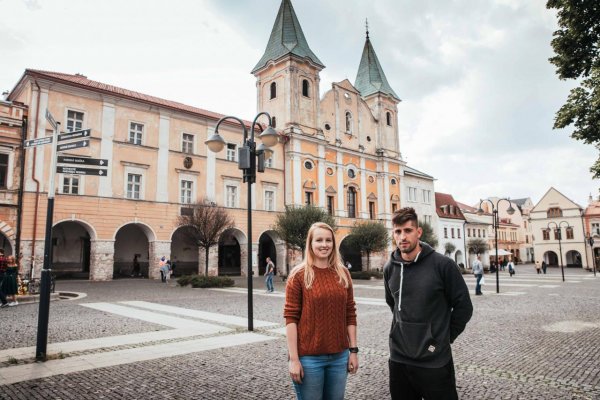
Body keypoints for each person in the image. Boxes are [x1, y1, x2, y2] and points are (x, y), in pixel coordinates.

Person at [384, 207, 473, 400]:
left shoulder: (443, 265)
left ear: (418, 232)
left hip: (434, 360)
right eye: (398, 232)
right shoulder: (389, 267)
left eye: (408, 230)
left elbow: (464, 307)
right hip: (399, 358)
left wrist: (443, 336)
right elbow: (392, 303)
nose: (402, 237)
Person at [284, 222, 358, 400]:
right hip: (309, 359)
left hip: (339, 357)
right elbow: (290, 318)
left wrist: (353, 351)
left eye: (328, 240)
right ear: (310, 244)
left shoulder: (343, 273)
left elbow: (350, 313)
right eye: (319, 240)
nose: (324, 244)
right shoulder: (298, 275)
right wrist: (294, 359)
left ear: (334, 243)